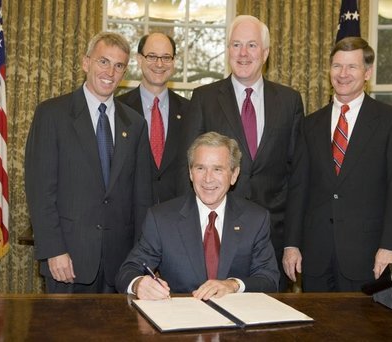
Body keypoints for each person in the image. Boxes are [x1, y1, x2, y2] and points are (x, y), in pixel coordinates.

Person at [283, 37, 392, 292]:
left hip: (368, 257)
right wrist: (291, 244)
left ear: (367, 72)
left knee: (363, 331)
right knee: (315, 331)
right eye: (337, 66)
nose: (343, 74)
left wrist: (390, 246)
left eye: (352, 67)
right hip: (315, 258)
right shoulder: (309, 124)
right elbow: (298, 187)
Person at [181, 15, 304, 291]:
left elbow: (297, 176)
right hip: (214, 237)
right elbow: (188, 169)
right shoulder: (204, 98)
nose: (243, 53)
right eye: (236, 45)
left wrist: (293, 242)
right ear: (228, 52)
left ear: (266, 53)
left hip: (272, 236)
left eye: (251, 45)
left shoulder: (289, 101)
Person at [25, 31, 153, 293]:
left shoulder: (136, 124)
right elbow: (40, 191)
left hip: (120, 264)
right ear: (86, 63)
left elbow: (142, 199)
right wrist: (54, 250)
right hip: (67, 260)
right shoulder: (52, 115)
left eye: (119, 66)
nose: (110, 72)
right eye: (103, 61)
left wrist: (141, 258)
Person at [116, 132, 279, 300]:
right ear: (190, 172)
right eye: (200, 168)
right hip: (181, 320)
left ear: (234, 175)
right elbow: (127, 271)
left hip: (235, 322)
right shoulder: (162, 219)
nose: (208, 179)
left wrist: (232, 285)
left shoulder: (256, 219)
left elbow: (269, 279)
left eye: (217, 169)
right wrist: (138, 284)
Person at [118, 33, 189, 204]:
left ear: (173, 62)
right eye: (151, 56)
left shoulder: (190, 110)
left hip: (176, 214)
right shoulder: (119, 108)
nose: (159, 64)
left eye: (166, 57)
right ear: (139, 59)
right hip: (129, 214)